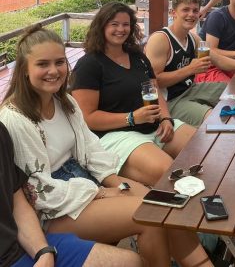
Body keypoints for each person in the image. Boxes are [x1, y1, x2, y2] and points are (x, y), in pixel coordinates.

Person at [0, 25, 213, 267]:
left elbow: (91, 147)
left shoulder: (65, 102)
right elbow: (38, 191)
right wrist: (99, 192)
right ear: (24, 70)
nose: (53, 71)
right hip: (52, 209)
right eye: (42, 64)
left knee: (165, 202)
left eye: (59, 62)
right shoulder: (15, 119)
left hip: (82, 184)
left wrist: (113, 181)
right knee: (149, 215)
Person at [71, 2, 195, 186]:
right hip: (116, 135)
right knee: (169, 174)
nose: (121, 29)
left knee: (202, 150)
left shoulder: (137, 56)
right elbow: (88, 118)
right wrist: (131, 118)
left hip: (153, 126)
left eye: (126, 24)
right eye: (114, 24)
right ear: (101, 26)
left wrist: (166, 118)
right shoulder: (89, 65)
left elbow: (154, 90)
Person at [0, 122, 142, 267]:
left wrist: (43, 252)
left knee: (131, 260)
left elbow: (17, 204)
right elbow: (42, 193)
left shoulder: (1, 132)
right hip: (56, 208)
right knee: (144, 214)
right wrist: (97, 192)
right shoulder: (15, 121)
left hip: (21, 246)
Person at [145, 0, 235, 127]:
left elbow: (217, 59)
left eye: (195, 10)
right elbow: (154, 82)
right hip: (170, 102)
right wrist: (189, 70)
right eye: (186, 10)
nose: (191, 14)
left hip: (190, 90)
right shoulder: (161, 39)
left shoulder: (192, 38)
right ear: (174, 13)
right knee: (214, 120)